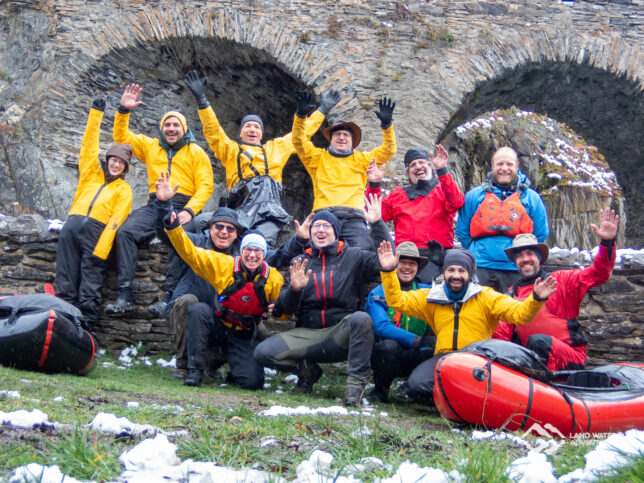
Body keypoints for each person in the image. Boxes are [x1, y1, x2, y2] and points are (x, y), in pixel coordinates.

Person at [376, 241, 557, 405]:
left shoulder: (486, 296)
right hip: (444, 359)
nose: (456, 275)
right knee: (416, 387)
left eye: (462, 271)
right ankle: (459, 402)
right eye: (451, 270)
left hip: (477, 359)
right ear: (444, 272)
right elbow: (397, 301)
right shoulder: (431, 296)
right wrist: (388, 272)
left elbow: (520, 315)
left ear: (470, 273)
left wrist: (536, 299)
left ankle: (464, 401)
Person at [254, 194, 393, 406]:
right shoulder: (300, 261)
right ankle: (307, 370)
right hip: (308, 333)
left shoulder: (354, 256)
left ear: (336, 233)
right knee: (263, 353)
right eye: (316, 227)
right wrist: (295, 289)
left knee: (362, 319)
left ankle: (354, 389)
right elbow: (284, 308)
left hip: (341, 334)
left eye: (327, 226)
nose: (321, 230)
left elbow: (386, 259)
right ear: (310, 234)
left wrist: (376, 224)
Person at [183, 70, 337, 247]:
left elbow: (302, 133)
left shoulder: (276, 148)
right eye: (247, 126)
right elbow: (213, 131)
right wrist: (202, 102)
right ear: (240, 133)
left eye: (256, 127)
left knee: (261, 242)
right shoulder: (231, 151)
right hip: (238, 210)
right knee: (198, 223)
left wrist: (322, 110)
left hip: (269, 211)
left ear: (261, 133)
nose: (252, 130)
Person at [105, 83, 214, 313]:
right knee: (125, 232)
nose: (171, 128)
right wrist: (123, 111)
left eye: (176, 125)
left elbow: (205, 186)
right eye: (167, 124)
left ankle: (168, 296)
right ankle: (125, 292)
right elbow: (121, 138)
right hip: (155, 203)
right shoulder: (151, 146)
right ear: (161, 128)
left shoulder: (196, 152)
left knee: (179, 238)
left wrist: (190, 211)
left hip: (183, 203)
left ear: (184, 129)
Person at [492, 208, 618, 371]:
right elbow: (501, 336)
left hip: (568, 357)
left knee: (538, 342)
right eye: (520, 256)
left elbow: (599, 274)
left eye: (530, 253)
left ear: (539, 257)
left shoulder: (562, 280)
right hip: (531, 361)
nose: (525, 259)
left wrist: (607, 243)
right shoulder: (511, 294)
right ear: (515, 262)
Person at [55, 98, 133, 332]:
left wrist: (102, 248)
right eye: (113, 160)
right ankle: (61, 328)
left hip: (96, 237)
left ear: (125, 168)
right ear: (107, 160)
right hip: (71, 228)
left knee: (89, 288)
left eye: (121, 163)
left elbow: (116, 221)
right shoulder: (91, 173)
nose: (116, 165)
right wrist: (96, 113)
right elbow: (89, 144)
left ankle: (85, 333)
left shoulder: (124, 190)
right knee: (65, 281)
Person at [292, 92, 396, 250]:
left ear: (352, 141)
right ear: (331, 139)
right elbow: (298, 140)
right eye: (337, 135)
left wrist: (387, 126)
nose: (342, 138)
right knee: (315, 255)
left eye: (346, 135)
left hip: (352, 217)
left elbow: (388, 150)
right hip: (323, 216)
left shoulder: (362, 159)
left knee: (362, 252)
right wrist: (300, 116)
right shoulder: (316, 158)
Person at [455, 146, 549, 293]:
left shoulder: (532, 199)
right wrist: (477, 252)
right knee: (477, 312)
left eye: (509, 164)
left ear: (517, 167)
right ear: (492, 166)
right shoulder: (474, 196)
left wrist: (522, 256)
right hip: (480, 266)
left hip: (514, 268)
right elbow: (462, 231)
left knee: (513, 313)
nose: (504, 168)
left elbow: (540, 234)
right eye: (499, 164)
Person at [165, 207, 243, 380]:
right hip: (188, 310)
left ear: (236, 233)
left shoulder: (244, 253)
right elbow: (171, 237)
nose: (224, 232)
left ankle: (214, 362)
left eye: (230, 229)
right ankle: (184, 364)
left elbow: (276, 256)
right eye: (219, 227)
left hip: (220, 315)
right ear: (210, 229)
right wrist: (164, 208)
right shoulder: (196, 243)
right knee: (188, 302)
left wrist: (298, 240)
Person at [366, 145, 464, 282]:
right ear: (408, 172)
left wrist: (442, 170)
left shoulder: (442, 189)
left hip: (437, 257)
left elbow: (457, 202)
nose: (418, 166)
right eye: (413, 165)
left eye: (422, 162)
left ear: (431, 167)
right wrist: (374, 183)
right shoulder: (398, 195)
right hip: (405, 258)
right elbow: (373, 212)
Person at [364, 242, 436, 403]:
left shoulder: (427, 291)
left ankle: (420, 391)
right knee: (389, 347)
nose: (407, 268)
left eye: (412, 264)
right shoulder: (378, 293)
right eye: (402, 262)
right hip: (386, 355)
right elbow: (381, 326)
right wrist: (415, 340)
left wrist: (440, 268)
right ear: (394, 264)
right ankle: (380, 391)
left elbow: (451, 293)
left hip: (418, 353)